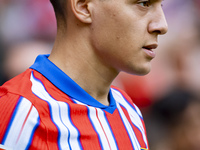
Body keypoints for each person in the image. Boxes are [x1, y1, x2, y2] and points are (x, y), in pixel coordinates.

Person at [0, 0, 168, 149]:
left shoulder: (130, 112)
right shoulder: (20, 109)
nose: (162, 25)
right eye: (144, 3)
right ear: (84, 7)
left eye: (160, 6)